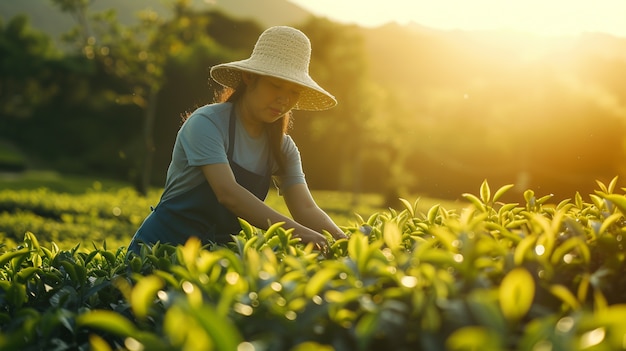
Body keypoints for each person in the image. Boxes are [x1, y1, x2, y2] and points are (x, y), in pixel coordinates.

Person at [128, 26, 347, 254]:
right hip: (158, 252)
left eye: (294, 91)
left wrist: (342, 240)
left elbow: (305, 207)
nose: (284, 99)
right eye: (276, 85)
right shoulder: (207, 123)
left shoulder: (283, 148)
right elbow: (228, 193)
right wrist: (302, 234)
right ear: (249, 77)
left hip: (213, 264)